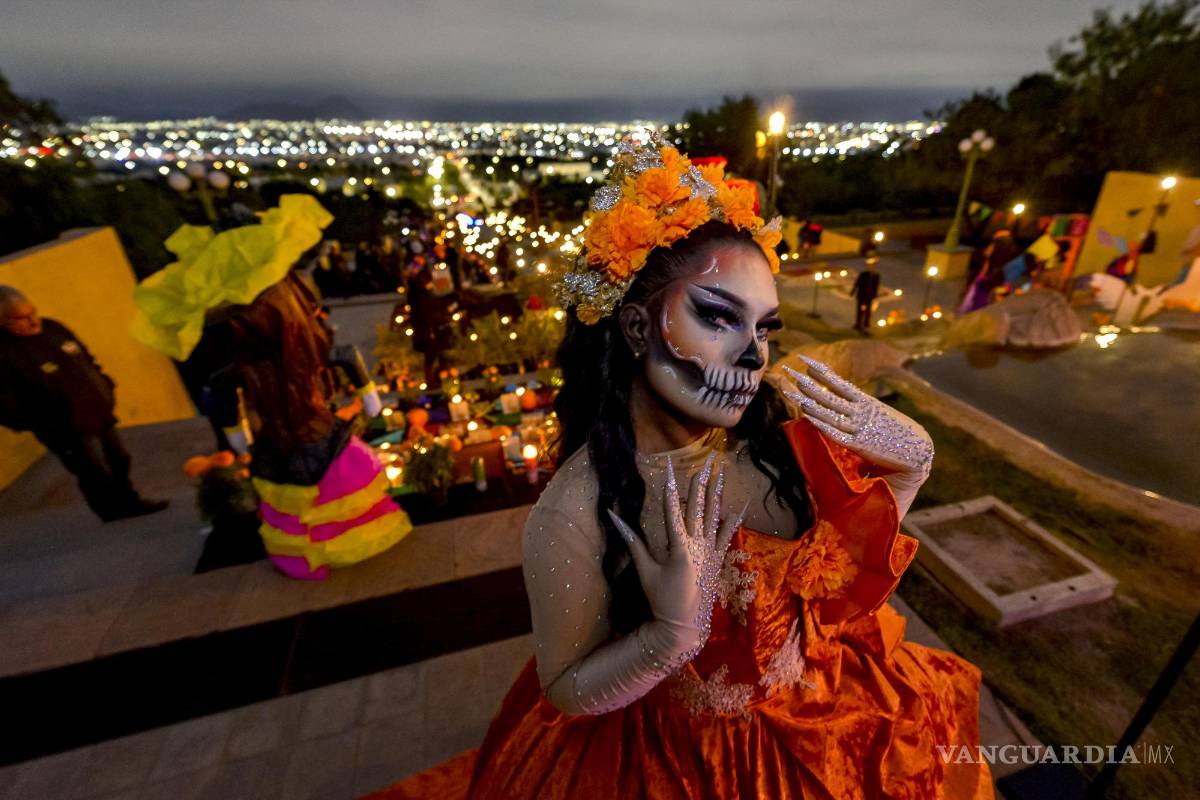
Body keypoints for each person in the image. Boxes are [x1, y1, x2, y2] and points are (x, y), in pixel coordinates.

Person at [369, 139, 992, 799]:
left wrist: (906, 472)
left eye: (765, 328)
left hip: (834, 724)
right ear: (637, 328)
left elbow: (835, 593)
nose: (752, 358)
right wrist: (666, 641)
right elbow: (566, 689)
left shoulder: (781, 443)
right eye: (718, 317)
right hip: (678, 766)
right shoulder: (575, 509)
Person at [0, 287, 168, 522]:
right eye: (21, 318)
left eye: (33, 312)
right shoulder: (6, 353)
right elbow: (6, 404)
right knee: (94, 468)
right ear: (4, 322)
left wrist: (105, 385)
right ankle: (114, 509)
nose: (32, 320)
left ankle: (128, 500)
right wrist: (39, 421)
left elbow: (86, 358)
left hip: (97, 411)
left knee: (118, 458)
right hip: (64, 426)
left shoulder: (53, 329)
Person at [851, 260, 881, 332]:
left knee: (868, 310)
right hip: (861, 294)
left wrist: (874, 295)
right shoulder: (863, 274)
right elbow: (857, 283)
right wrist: (853, 291)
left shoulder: (876, 276)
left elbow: (876, 286)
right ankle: (858, 323)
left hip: (869, 296)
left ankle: (866, 323)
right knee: (859, 310)